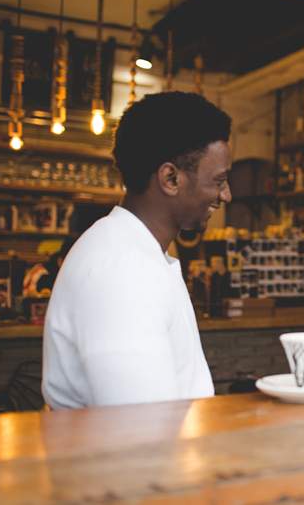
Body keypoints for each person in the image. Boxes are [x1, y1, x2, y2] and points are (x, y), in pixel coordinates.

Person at [42, 92, 232, 409]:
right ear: (170, 178)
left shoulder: (135, 253)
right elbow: (143, 428)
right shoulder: (121, 271)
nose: (226, 194)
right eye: (219, 180)